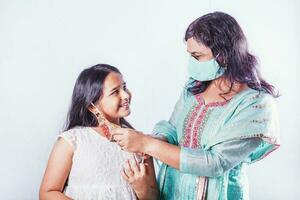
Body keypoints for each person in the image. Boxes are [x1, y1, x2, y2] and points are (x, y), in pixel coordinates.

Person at [112, 12, 280, 200]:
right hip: (171, 191)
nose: (192, 63)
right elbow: (173, 129)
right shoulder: (194, 87)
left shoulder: (255, 104)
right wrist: (153, 141)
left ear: (223, 55)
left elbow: (216, 163)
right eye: (190, 56)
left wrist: (147, 144)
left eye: (198, 56)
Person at [39, 64, 158, 200]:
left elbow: (153, 197)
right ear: (92, 106)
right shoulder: (73, 140)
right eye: (115, 92)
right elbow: (48, 192)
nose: (125, 95)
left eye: (124, 87)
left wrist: (142, 190)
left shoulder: (139, 142)